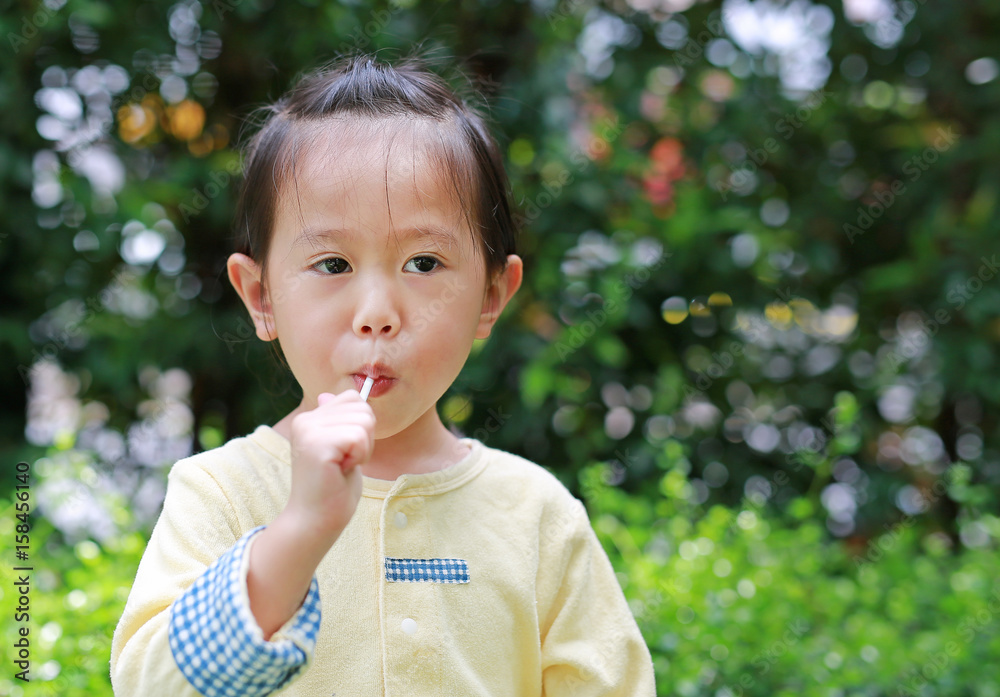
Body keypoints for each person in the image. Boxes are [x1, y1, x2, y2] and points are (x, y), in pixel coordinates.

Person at [110, 50, 656, 696]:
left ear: (490, 295)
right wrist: (298, 533)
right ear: (260, 296)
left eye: (424, 263)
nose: (376, 314)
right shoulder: (221, 493)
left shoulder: (537, 515)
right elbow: (151, 685)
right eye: (333, 264)